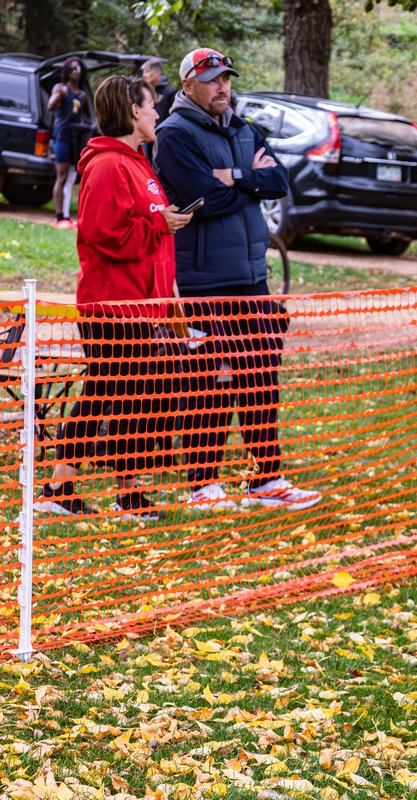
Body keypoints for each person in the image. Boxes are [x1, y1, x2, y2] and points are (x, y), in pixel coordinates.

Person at [153, 47, 321, 511]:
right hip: (205, 281)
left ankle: (265, 479)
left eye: (226, 78)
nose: (222, 87)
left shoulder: (243, 128)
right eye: (211, 80)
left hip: (252, 279)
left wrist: (233, 175)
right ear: (188, 85)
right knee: (211, 379)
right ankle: (203, 484)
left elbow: (280, 182)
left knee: (261, 374)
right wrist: (245, 181)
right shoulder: (173, 134)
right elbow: (204, 200)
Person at [33, 74, 193, 519]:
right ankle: (77, 490)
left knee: (124, 397)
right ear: (132, 111)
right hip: (112, 307)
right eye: (151, 104)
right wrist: (159, 226)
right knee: (116, 396)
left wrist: (166, 285)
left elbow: (145, 224)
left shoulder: (138, 161)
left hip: (143, 306)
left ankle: (104, 491)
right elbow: (104, 235)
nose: (158, 112)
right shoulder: (106, 165)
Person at [47, 57, 93, 229]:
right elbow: (50, 106)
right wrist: (60, 94)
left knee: (73, 176)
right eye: (73, 69)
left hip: (76, 137)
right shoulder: (60, 88)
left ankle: (67, 215)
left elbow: (81, 116)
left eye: (79, 69)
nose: (76, 72)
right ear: (67, 71)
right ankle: (59, 216)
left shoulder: (81, 94)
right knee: (62, 175)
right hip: (62, 135)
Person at [141, 57, 176, 121]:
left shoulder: (169, 92)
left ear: (158, 72)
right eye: (144, 72)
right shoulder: (144, 90)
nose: (144, 75)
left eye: (147, 71)